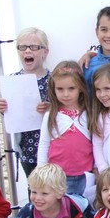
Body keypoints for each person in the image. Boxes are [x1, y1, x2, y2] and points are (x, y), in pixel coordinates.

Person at [0, 27, 50, 178]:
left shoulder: (53, 80)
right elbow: (11, 116)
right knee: (33, 185)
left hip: (51, 146)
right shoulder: (12, 81)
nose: (27, 51)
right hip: (26, 147)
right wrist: (3, 109)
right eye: (22, 47)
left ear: (45, 52)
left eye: (34, 47)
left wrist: (50, 109)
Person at [37, 61, 93, 197]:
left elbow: (96, 143)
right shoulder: (51, 115)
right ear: (53, 89)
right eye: (60, 89)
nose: (66, 94)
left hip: (86, 176)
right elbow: (44, 144)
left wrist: (97, 168)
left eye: (71, 88)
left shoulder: (89, 113)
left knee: (84, 207)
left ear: (80, 88)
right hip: (57, 177)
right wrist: (41, 171)